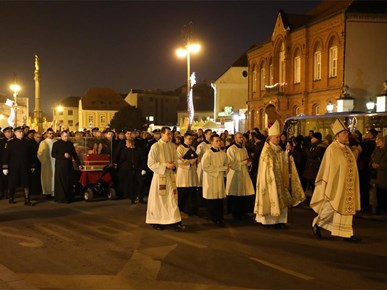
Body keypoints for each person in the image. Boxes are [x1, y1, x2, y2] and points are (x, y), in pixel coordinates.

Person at [311, 119, 361, 242]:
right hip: (336, 185)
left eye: (347, 133)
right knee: (331, 208)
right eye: (344, 134)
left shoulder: (347, 148)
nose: (346, 136)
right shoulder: (332, 149)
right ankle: (317, 223)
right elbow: (329, 168)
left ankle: (346, 233)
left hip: (347, 185)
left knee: (346, 209)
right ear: (337, 136)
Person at [254, 121, 305, 229]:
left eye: (279, 137)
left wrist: (287, 153)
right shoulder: (266, 150)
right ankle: (270, 222)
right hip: (270, 181)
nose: (279, 139)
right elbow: (267, 167)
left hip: (280, 179)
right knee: (272, 199)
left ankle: (280, 220)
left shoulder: (279, 148)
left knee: (281, 200)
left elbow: (283, 160)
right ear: (270, 138)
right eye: (277, 137)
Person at [145, 127, 184, 231]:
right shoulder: (155, 146)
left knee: (172, 200)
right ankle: (157, 221)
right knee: (159, 201)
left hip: (170, 177)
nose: (170, 136)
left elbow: (176, 160)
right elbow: (150, 163)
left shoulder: (172, 146)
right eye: (168, 134)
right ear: (162, 134)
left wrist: (174, 165)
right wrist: (165, 165)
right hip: (160, 177)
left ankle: (175, 221)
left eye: (171, 134)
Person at [2, 126, 36, 205]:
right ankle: (11, 197)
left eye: (22, 132)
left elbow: (32, 155)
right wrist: (5, 167)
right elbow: (6, 155)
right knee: (12, 182)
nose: (21, 133)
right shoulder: (10, 142)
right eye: (19, 132)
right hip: (14, 166)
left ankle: (27, 199)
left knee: (26, 183)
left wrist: (33, 165)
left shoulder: (28, 142)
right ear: (15, 133)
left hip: (25, 166)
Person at [225, 132, 255, 220]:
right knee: (236, 195)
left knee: (243, 194)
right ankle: (236, 213)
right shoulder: (231, 149)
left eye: (242, 137)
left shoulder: (244, 149)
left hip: (244, 173)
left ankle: (243, 212)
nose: (241, 139)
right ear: (235, 139)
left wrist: (248, 163)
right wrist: (242, 163)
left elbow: (246, 159)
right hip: (235, 174)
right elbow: (230, 163)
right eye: (239, 138)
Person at [201, 134, 229, 225]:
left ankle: (220, 217)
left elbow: (226, 164)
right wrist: (219, 169)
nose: (219, 142)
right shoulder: (208, 153)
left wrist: (225, 169)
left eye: (219, 140)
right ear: (211, 142)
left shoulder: (223, 153)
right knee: (212, 198)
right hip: (211, 178)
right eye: (216, 141)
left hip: (219, 178)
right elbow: (205, 166)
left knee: (219, 199)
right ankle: (212, 217)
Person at [51, 130, 82, 203]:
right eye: (65, 136)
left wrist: (79, 164)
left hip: (68, 166)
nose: (66, 138)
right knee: (61, 182)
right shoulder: (56, 144)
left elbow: (74, 154)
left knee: (69, 181)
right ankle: (61, 198)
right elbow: (53, 154)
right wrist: (63, 155)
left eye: (67, 136)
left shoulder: (70, 144)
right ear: (61, 136)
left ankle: (69, 197)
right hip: (60, 166)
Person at [116, 138, 146, 203]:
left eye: (127, 143)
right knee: (131, 185)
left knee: (141, 183)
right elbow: (122, 160)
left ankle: (140, 197)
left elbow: (142, 159)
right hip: (129, 170)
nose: (126, 145)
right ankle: (133, 198)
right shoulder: (126, 151)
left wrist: (143, 168)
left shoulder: (138, 150)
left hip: (137, 169)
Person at [176, 132, 199, 215]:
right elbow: (178, 160)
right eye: (189, 139)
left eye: (191, 139)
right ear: (184, 138)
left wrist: (195, 160)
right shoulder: (180, 148)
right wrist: (189, 162)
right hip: (183, 173)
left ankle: (189, 209)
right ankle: (180, 208)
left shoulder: (192, 148)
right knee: (183, 192)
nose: (190, 141)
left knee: (191, 192)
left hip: (192, 173)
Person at [370, 134, 387, 214]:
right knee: (376, 193)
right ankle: (378, 208)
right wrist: (372, 164)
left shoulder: (385, 151)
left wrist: (379, 166)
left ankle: (383, 208)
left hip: (383, 175)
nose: (377, 142)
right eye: (376, 140)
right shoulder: (375, 150)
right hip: (375, 175)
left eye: (378, 141)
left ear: (383, 141)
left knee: (383, 192)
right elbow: (371, 159)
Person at [37, 128, 57, 198]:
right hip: (47, 163)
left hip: (55, 162)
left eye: (52, 133)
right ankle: (48, 192)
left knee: (55, 177)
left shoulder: (56, 142)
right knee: (48, 177)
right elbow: (40, 153)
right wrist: (44, 161)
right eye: (50, 133)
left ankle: (55, 191)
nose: (51, 135)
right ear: (47, 134)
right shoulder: (43, 142)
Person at [0, 127, 13, 200]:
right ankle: (1, 193)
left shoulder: (14, 141)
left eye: (11, 131)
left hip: (12, 163)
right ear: (4, 133)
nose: (10, 133)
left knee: (10, 179)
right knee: (2, 179)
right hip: (2, 163)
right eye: (8, 132)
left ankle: (9, 193)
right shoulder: (1, 141)